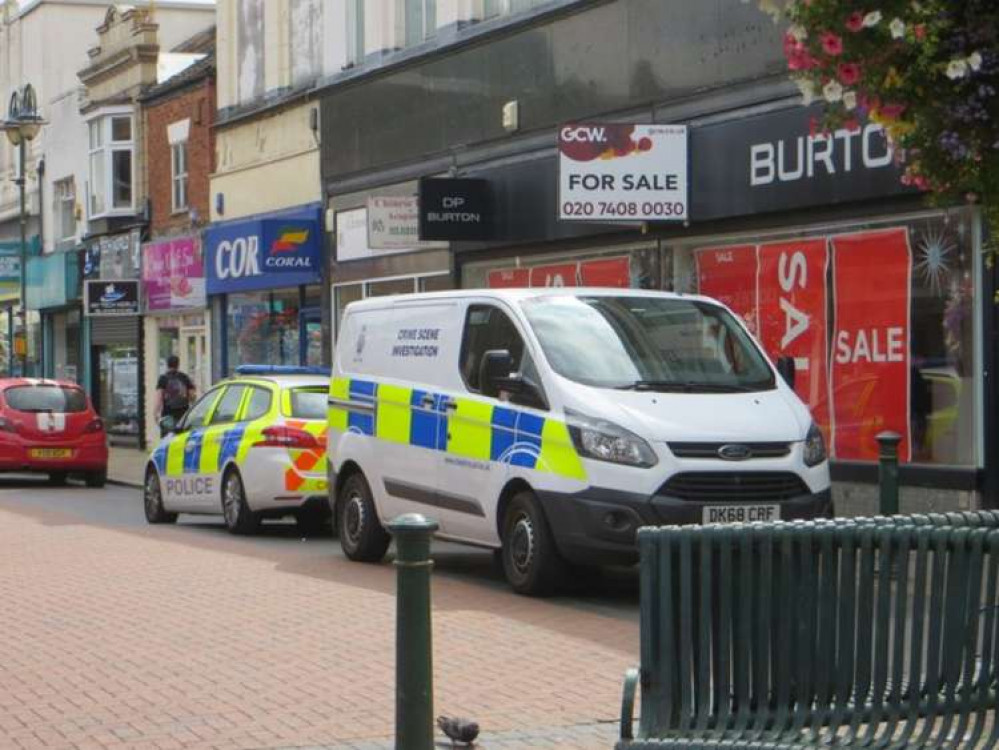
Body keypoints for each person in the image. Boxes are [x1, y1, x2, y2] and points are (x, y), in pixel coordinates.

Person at [156, 355, 195, 436]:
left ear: (167, 364)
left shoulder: (163, 378)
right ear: (178, 365)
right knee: (182, 437)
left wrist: (156, 412)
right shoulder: (184, 377)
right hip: (183, 414)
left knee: (167, 438)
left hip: (168, 414)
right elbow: (192, 396)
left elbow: (159, 397)